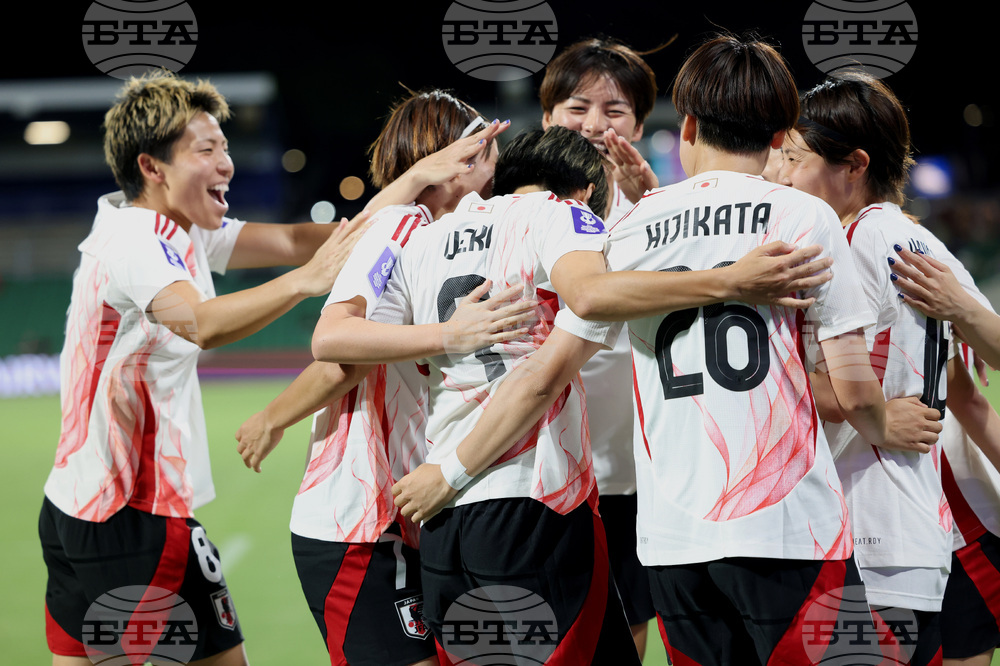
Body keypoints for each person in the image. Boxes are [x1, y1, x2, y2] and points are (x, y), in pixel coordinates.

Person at [596, 35, 924, 665]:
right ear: (779, 136)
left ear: (687, 125)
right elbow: (854, 386)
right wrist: (884, 421)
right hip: (786, 523)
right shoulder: (804, 216)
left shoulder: (632, 228)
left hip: (673, 529)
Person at [38, 70, 367, 666]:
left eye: (226, 147)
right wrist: (305, 284)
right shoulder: (138, 242)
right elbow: (203, 323)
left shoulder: (174, 231)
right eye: (207, 150)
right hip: (130, 513)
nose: (227, 164)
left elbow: (298, 239)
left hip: (79, 505)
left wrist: (409, 202)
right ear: (152, 168)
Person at [234, 89, 530, 666]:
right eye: (481, 145)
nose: (495, 157)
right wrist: (450, 336)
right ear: (455, 159)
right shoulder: (403, 228)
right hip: (360, 521)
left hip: (422, 512)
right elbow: (337, 347)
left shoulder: (465, 234)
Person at [775, 69, 965, 665]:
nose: (779, 174)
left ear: (854, 164)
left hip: (866, 526)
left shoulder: (850, 241)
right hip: (914, 523)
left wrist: (875, 412)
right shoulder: (919, 238)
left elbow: (843, 387)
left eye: (794, 157)